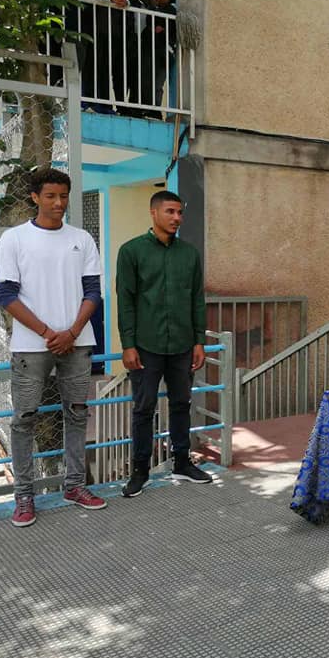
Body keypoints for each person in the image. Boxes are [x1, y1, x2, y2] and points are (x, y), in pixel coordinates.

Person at [0, 168, 106, 527]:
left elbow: (94, 292)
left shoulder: (82, 239)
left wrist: (71, 332)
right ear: (34, 197)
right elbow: (5, 294)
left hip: (78, 342)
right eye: (50, 196)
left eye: (63, 196)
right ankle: (24, 496)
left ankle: (75, 486)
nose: (59, 203)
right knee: (24, 419)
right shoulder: (14, 239)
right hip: (31, 346)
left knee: (77, 414)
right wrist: (47, 332)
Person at [116, 191, 212, 497]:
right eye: (170, 211)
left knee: (182, 404)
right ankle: (140, 472)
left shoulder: (189, 254)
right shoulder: (131, 252)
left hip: (183, 344)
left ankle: (182, 463)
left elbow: (197, 300)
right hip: (146, 345)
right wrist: (128, 344)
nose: (177, 218)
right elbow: (125, 301)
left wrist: (199, 341)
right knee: (143, 408)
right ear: (153, 213)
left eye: (180, 212)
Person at [84, 0, 129, 111]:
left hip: (110, 33)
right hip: (94, 30)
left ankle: (103, 103)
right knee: (91, 66)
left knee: (105, 68)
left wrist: (123, 1)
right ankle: (89, 100)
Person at [139, 0, 177, 117]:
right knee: (149, 81)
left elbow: (166, 28)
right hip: (153, 51)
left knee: (157, 82)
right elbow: (151, 23)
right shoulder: (156, 9)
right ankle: (149, 108)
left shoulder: (171, 10)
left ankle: (154, 109)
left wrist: (162, 29)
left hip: (163, 52)